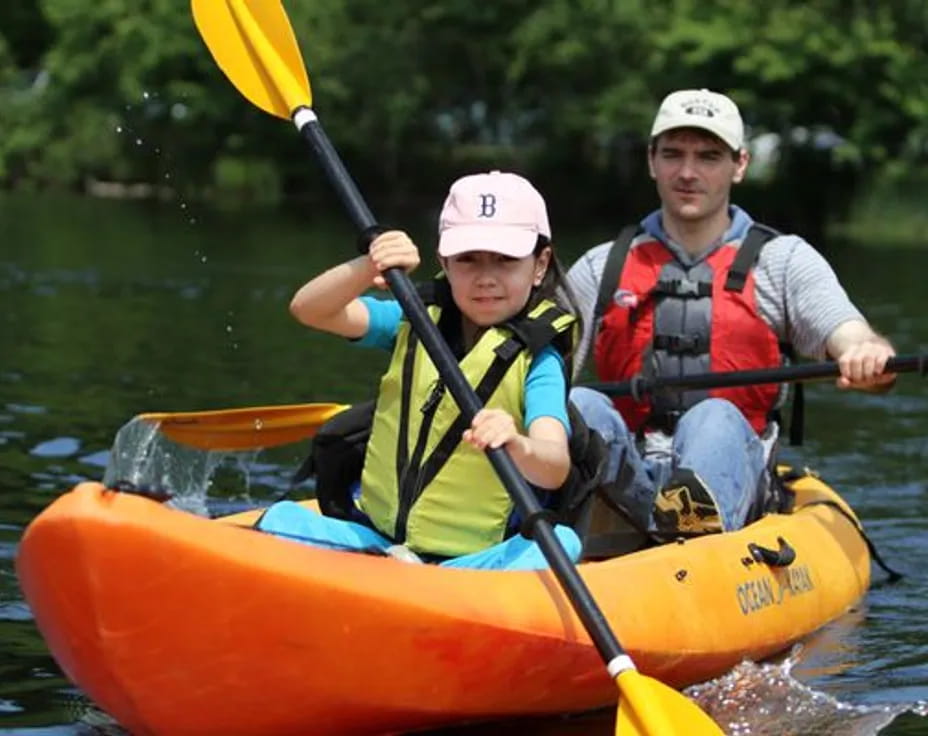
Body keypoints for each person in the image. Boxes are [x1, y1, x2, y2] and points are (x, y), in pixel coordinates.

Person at [567, 88, 896, 538]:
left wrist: (864, 352)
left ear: (739, 165)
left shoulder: (782, 261)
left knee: (712, 416)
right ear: (651, 161)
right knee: (578, 404)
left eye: (708, 156)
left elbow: (847, 330)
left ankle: (694, 535)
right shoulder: (604, 265)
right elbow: (538, 365)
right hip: (628, 473)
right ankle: (579, 539)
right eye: (673, 154)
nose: (687, 172)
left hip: (735, 472)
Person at [257, 170, 584, 570]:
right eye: (467, 259)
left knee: (561, 543)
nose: (485, 278)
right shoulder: (413, 317)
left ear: (539, 264)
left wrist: (517, 444)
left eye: (505, 260)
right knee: (279, 518)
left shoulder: (540, 357)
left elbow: (553, 467)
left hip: (473, 560)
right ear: (444, 260)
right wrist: (369, 264)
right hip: (379, 540)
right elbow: (310, 310)